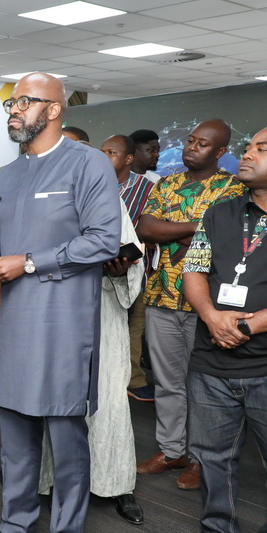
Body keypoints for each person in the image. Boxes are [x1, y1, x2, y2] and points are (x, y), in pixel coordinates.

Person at [0, 72, 121, 533]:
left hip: (63, 323)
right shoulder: (7, 174)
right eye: (11, 103)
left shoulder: (88, 163)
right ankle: (14, 522)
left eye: (25, 101)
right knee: (15, 431)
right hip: (15, 322)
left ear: (54, 110)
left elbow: (103, 241)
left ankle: (67, 526)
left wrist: (27, 262)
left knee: (66, 437)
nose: (14, 110)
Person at [136, 119, 245, 492]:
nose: (191, 147)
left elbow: (226, 240)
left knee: (203, 386)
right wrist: (198, 227)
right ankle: (172, 451)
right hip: (161, 296)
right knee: (167, 382)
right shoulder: (166, 184)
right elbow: (146, 229)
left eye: (202, 144)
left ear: (220, 152)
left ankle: (201, 459)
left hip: (208, 305)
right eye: (190, 140)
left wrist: (173, 230)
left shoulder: (234, 189)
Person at [39, 198, 145, 525]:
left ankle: (116, 482)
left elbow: (131, 251)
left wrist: (121, 270)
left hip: (103, 306)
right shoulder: (43, 194)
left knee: (109, 395)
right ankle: (50, 477)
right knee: (53, 393)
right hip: (52, 303)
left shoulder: (107, 197)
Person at [183, 126, 267, 533]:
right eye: (247, 147)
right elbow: (194, 270)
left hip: (263, 365)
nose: (247, 154)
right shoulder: (219, 212)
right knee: (212, 461)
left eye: (261, 149)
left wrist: (249, 325)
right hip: (211, 363)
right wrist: (211, 316)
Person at [99, 134, 156, 402]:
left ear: (128, 159)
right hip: (96, 270)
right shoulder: (92, 183)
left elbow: (152, 227)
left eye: (111, 152)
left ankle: (133, 379)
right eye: (102, 151)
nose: (104, 157)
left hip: (135, 270)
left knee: (133, 326)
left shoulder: (148, 189)